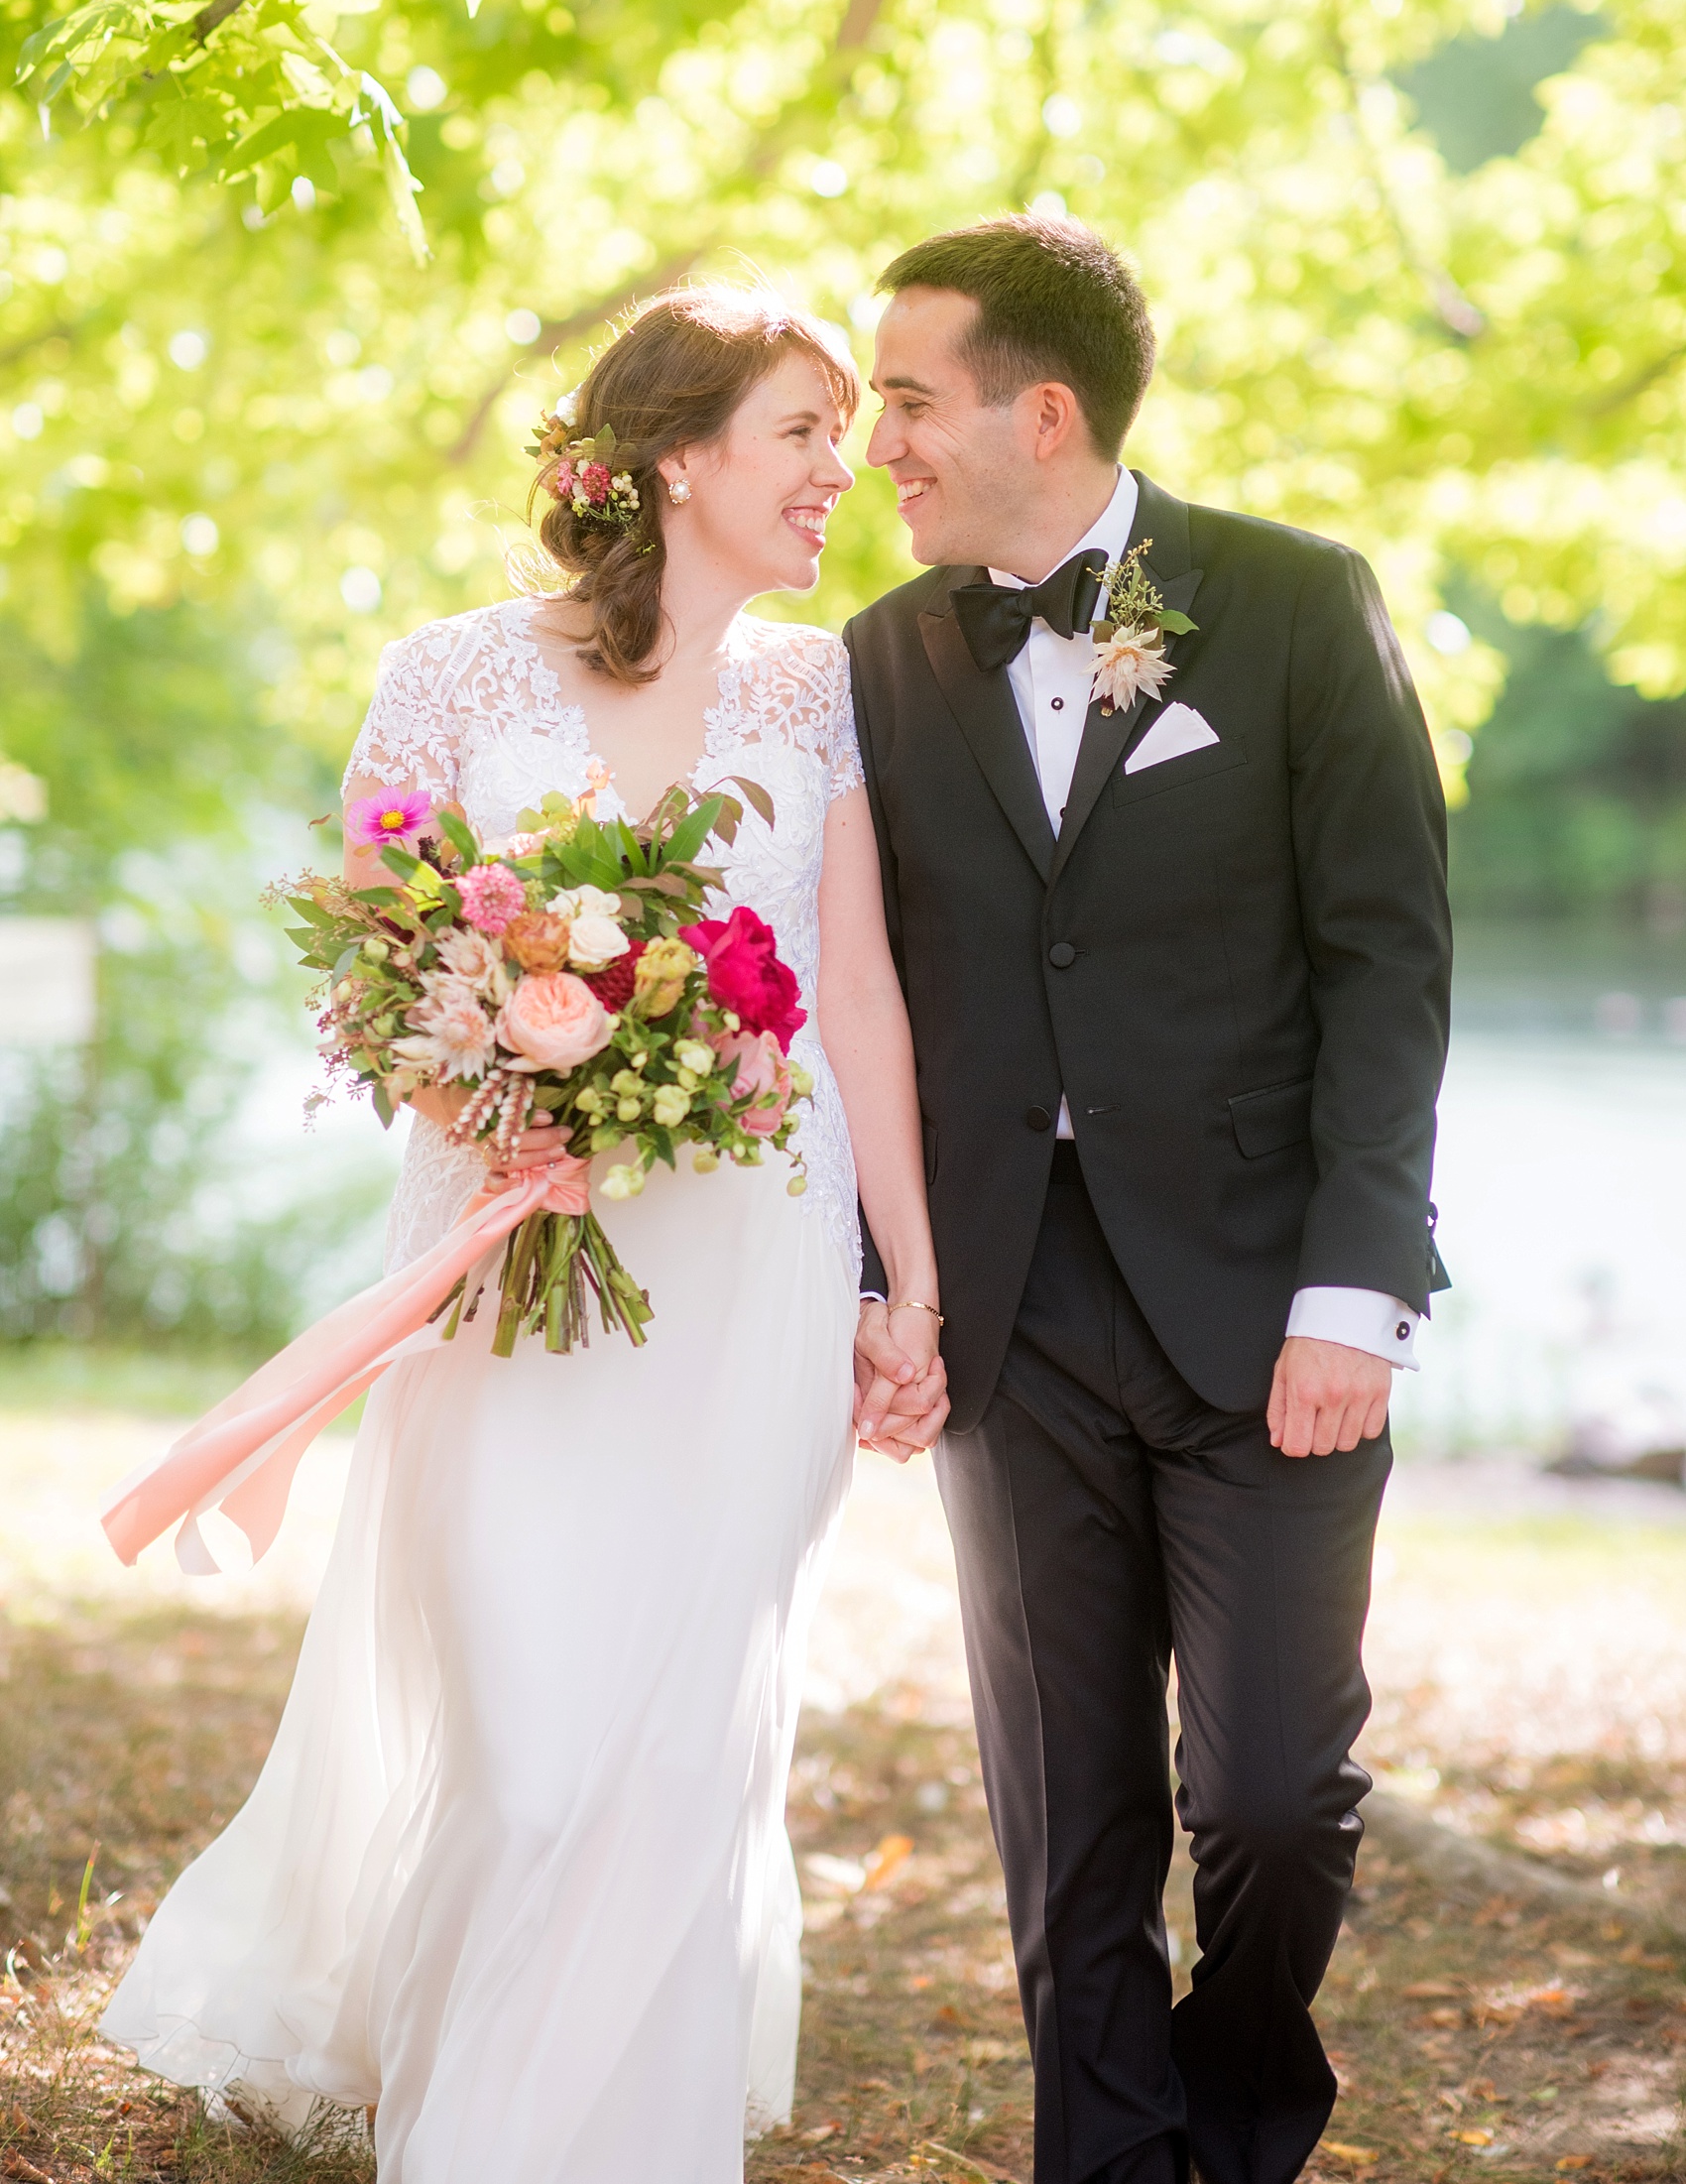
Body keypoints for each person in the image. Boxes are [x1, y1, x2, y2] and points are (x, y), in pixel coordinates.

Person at [101, 286, 947, 2181]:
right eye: (803, 433)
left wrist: (909, 1277)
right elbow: (373, 975)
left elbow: (862, 992)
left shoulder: (823, 694)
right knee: (532, 1746)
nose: (844, 472)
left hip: (759, 1275)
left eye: (844, 434)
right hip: (507, 1271)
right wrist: (509, 1090)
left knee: (667, 1751)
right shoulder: (451, 677)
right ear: (677, 460)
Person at [846, 216, 1451, 2184]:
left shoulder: (1289, 602)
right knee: (1066, 1806)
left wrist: (1355, 1287)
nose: (879, 446)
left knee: (1269, 1793)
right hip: (1014, 1314)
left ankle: (1237, 2108)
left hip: (1272, 1307)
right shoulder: (872, 663)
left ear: (1044, 407)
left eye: (909, 398)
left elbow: (1388, 959)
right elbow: (853, 996)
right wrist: (887, 1279)